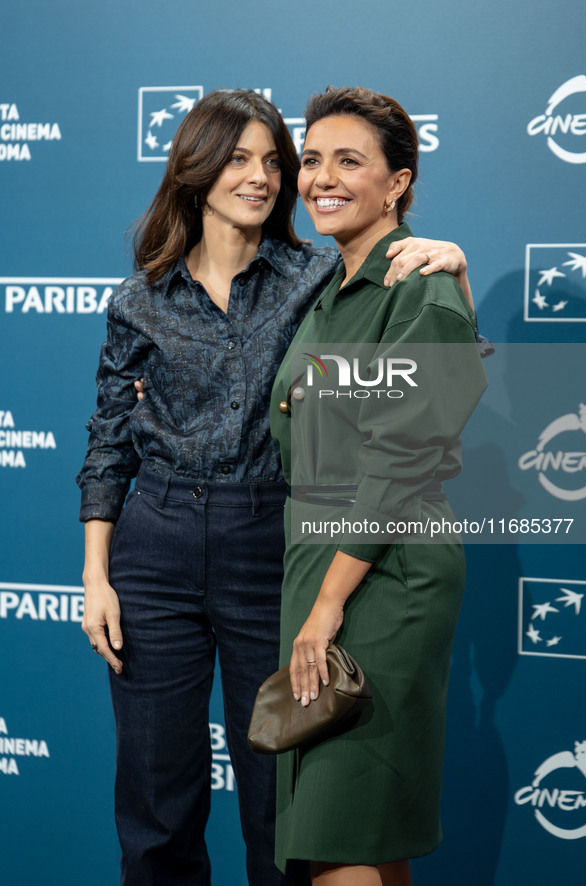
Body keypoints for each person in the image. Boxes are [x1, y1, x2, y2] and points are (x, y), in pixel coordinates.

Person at [77, 88, 475, 886]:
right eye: (236, 159)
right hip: (153, 546)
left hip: (271, 537)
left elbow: (410, 332)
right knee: (156, 797)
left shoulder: (316, 275)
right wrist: (96, 574)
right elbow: (109, 438)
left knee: (282, 798)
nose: (260, 177)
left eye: (271, 161)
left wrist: (453, 263)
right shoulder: (138, 299)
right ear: (195, 170)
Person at [270, 87, 488, 886]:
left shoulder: (415, 283)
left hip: (381, 577)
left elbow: (405, 457)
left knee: (342, 828)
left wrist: (328, 605)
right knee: (358, 830)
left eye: (349, 161)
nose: (321, 177)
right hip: (326, 567)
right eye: (313, 159)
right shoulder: (330, 290)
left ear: (397, 183)